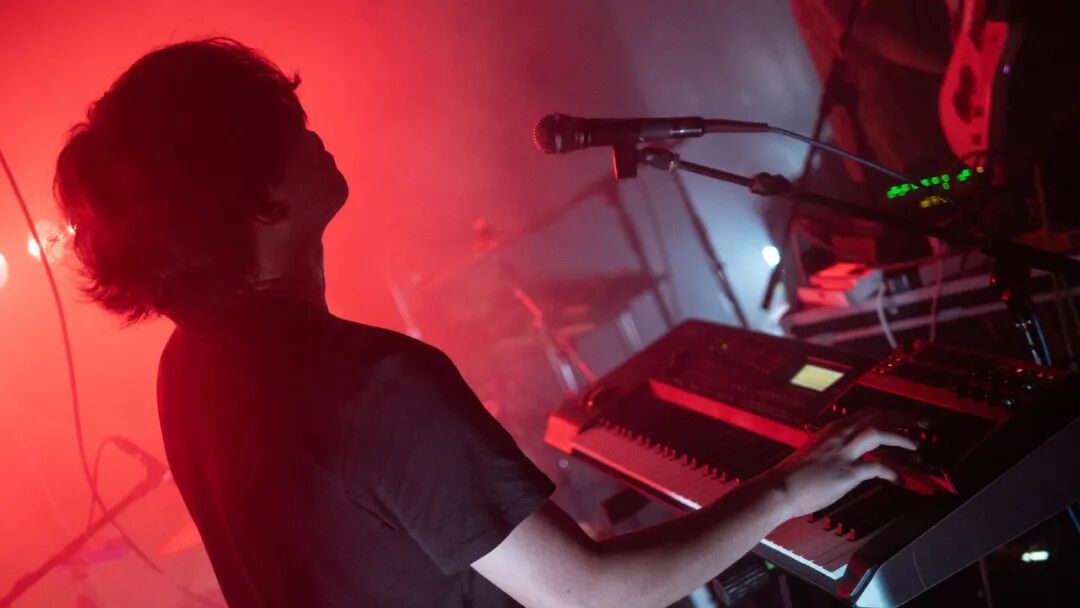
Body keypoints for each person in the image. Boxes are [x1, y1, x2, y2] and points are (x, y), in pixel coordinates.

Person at [55, 38, 915, 607]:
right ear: (255, 198)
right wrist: (792, 486)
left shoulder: (189, 366)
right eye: (289, 127)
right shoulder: (373, 385)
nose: (313, 133)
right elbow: (589, 597)